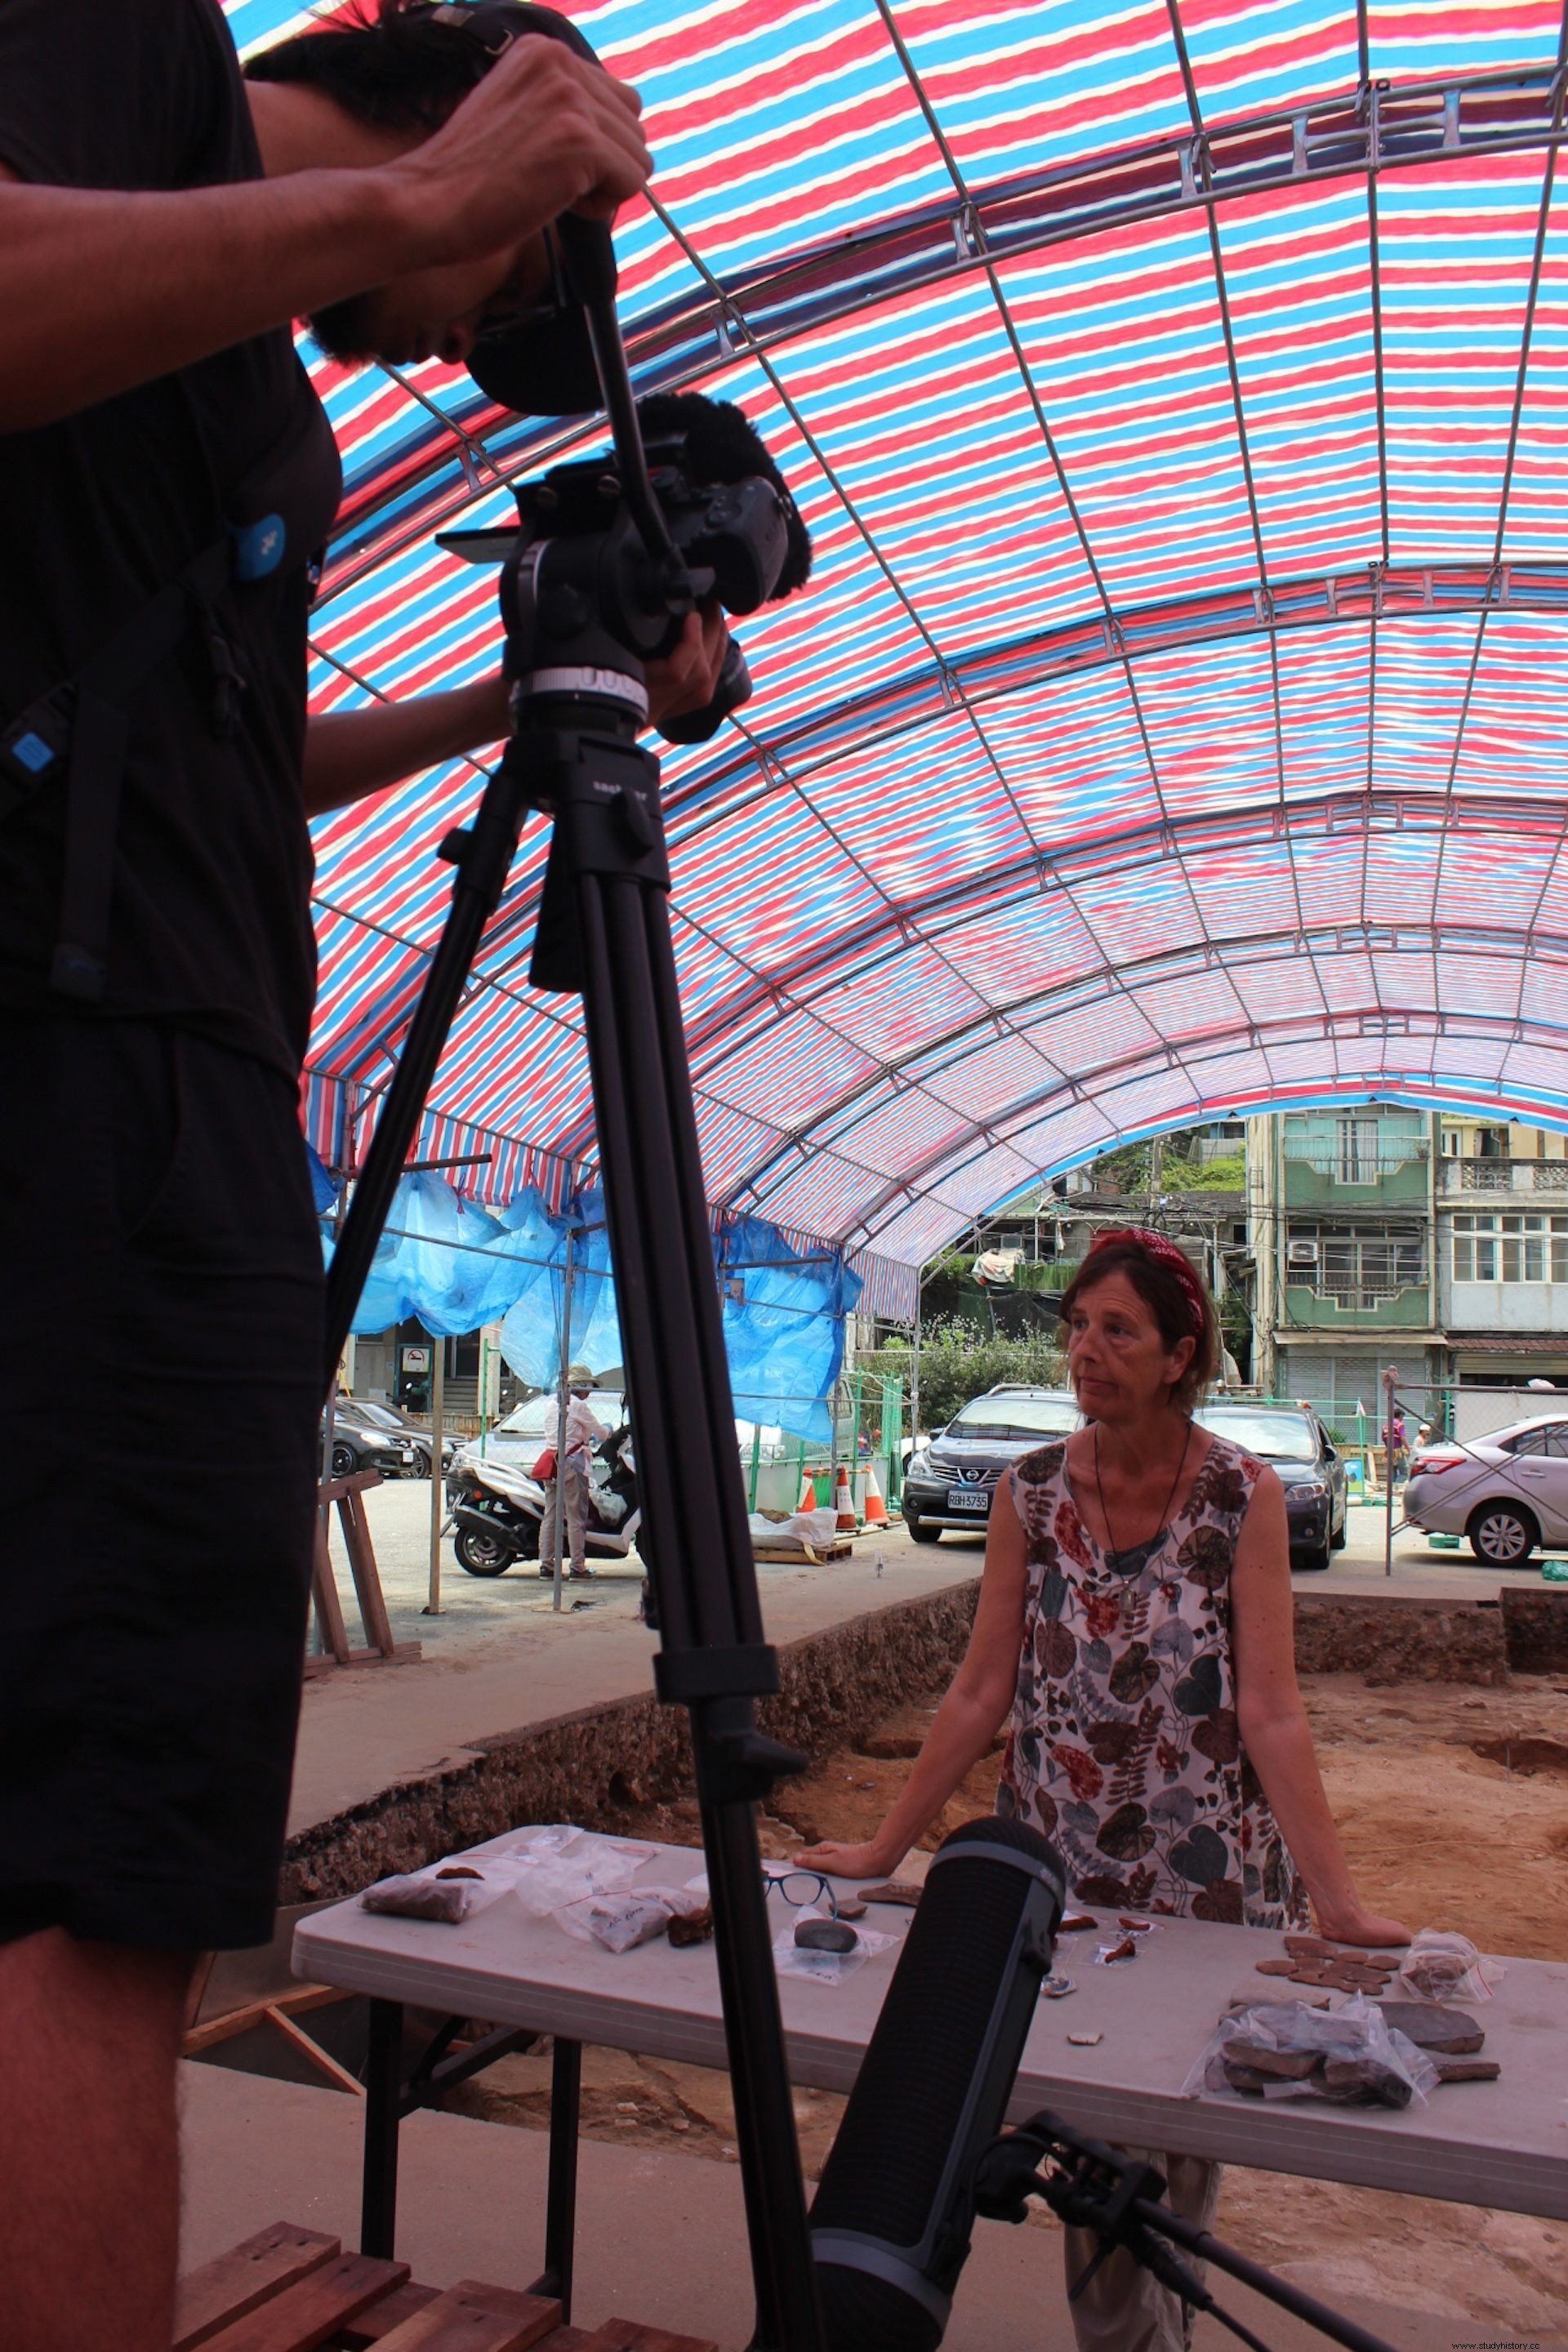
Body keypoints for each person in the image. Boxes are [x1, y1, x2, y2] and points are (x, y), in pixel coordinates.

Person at [0, 8, 772, 2349]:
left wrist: (517, 695)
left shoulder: (232, 374)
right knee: (101, 1870)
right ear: (491, 152)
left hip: (154, 1060)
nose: (460, 329)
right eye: (504, 291)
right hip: (96, 1085)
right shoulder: (113, 56)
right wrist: (404, 212)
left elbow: (222, 745)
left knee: (78, 1842)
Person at [800, 1226, 1408, 2352]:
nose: (1086, 1349)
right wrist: (887, 1850)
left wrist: (1341, 1908)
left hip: (1205, 1886)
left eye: (1116, 1330)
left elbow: (1270, 1709)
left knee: (1156, 2171)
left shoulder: (1242, 1497)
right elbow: (981, 1692)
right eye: (1078, 1326)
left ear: (1179, 1354)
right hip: (1053, 1877)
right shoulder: (1029, 1495)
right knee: (1037, 2121)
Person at [538, 1363, 610, 1581]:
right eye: (588, 1387)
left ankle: (546, 1565)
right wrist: (608, 1430)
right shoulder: (578, 1405)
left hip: (551, 1460)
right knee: (576, 1516)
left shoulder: (553, 1403)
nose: (589, 1392)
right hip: (571, 1463)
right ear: (581, 1387)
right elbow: (601, 1433)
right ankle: (578, 1567)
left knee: (551, 1515)